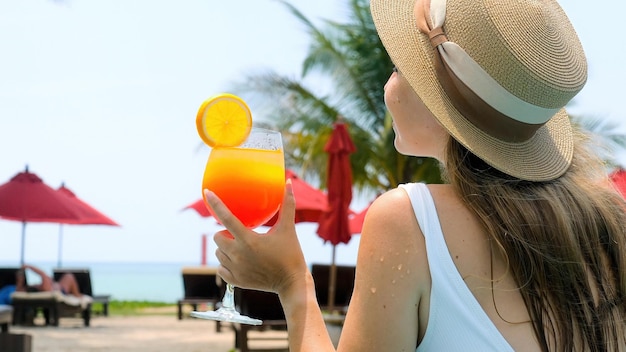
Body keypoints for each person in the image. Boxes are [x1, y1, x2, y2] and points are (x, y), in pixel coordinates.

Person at [204, 0, 626, 351]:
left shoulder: (410, 221)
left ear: (435, 103)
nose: (390, 84)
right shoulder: (607, 229)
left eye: (400, 67)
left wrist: (292, 284)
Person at [15, 264, 82, 298]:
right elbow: (43, 274)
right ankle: (77, 295)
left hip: (57, 287)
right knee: (69, 276)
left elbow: (18, 291)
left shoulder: (31, 288)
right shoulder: (45, 287)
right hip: (61, 290)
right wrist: (29, 266)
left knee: (67, 277)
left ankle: (76, 294)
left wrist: (20, 281)